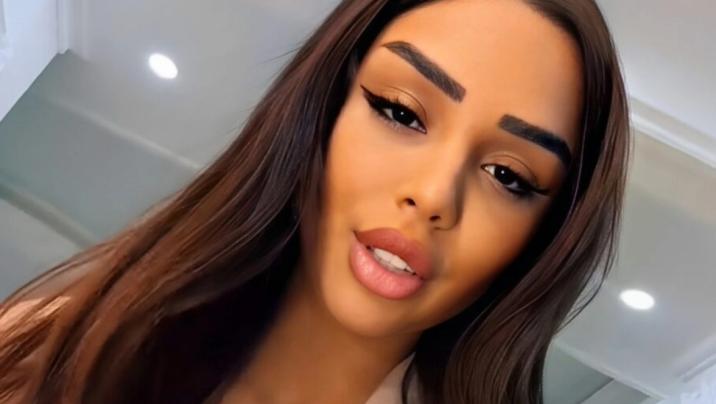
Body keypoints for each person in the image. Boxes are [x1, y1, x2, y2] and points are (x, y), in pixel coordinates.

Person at [0, 0, 630, 403]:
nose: (434, 194)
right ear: (324, 109)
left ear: (547, 238)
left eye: (508, 175)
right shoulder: (47, 354)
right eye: (401, 112)